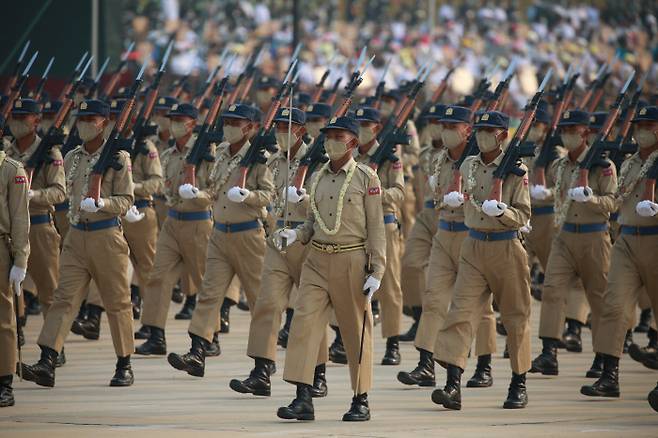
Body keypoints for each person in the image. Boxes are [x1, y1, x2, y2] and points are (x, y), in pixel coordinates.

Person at [275, 115, 386, 422]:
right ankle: (303, 397)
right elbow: (314, 222)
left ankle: (360, 398)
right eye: (327, 136)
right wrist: (296, 234)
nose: (330, 141)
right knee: (303, 325)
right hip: (316, 259)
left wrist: (377, 270)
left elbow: (377, 227)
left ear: (352, 140)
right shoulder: (318, 177)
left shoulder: (367, 178)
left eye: (338, 136)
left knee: (355, 332)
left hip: (351, 260)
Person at [21, 99, 136, 387]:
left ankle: (124, 363)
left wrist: (102, 203)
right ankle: (48, 360)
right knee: (63, 298)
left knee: (117, 302)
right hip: (76, 236)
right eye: (81, 118)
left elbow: (126, 200)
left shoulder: (119, 157)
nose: (84, 124)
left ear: (104, 122)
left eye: (91, 119)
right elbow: (63, 194)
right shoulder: (72, 156)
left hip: (106, 235)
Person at [432, 110, 532, 410]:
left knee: (515, 317)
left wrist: (504, 212)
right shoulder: (469, 164)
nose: (482, 135)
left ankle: (518, 383)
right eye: (479, 130)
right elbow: (464, 192)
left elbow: (524, 216)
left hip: (506, 248)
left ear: (502, 135)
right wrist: (454, 199)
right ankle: (452, 384)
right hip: (473, 244)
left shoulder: (517, 170)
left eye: (489, 131)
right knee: (460, 313)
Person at [167, 103, 274, 377]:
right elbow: (215, 192)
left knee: (258, 302)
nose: (228, 127)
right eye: (226, 121)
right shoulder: (223, 153)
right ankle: (197, 352)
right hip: (219, 235)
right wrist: (195, 194)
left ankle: (263, 365)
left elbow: (268, 195)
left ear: (249, 128)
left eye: (235, 123)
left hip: (249, 235)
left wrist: (248, 196)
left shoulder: (260, 157)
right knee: (209, 294)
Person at [229, 106, 328, 397]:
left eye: (287, 129)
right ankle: (261, 371)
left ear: (300, 130)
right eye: (277, 129)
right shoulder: (273, 160)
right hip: (277, 238)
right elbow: (268, 196)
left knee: (310, 311)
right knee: (268, 303)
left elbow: (327, 205)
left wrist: (305, 198)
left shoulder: (318, 161)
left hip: (307, 239)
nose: (280, 134)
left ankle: (317, 373)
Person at [399, 105, 496, 388]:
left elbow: (484, 196)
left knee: (481, 305)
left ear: (468, 130)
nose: (446, 131)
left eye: (453, 127)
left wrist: (464, 199)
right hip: (444, 233)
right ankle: (425, 364)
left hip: (471, 236)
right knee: (434, 299)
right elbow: (437, 196)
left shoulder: (480, 162)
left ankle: (484, 365)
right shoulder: (440, 160)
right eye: (444, 126)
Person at [531, 109, 617, 379]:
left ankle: (604, 358)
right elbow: (560, 197)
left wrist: (590, 199)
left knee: (599, 298)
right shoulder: (559, 166)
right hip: (564, 235)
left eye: (573, 130)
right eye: (565, 130)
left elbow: (612, 203)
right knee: (553, 289)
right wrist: (540, 195)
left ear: (586, 133)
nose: (568, 135)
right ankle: (549, 351)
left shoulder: (604, 167)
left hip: (594, 236)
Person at [580, 105, 658, 398]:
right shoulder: (629, 163)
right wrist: (592, 197)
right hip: (626, 239)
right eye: (639, 125)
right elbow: (616, 201)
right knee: (613, 305)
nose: (642, 130)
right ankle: (609, 375)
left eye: (648, 124)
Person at [135, 103, 216, 356]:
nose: (174, 124)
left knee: (204, 282)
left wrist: (198, 194)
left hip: (198, 221)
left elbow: (216, 189)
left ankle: (209, 338)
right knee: (158, 276)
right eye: (173, 119)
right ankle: (155, 334)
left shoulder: (207, 153)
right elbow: (163, 186)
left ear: (192, 124)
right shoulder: (168, 154)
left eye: (180, 120)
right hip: (172, 222)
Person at [353, 106, 405, 365]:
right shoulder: (350, 156)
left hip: (384, 225)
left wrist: (374, 193)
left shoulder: (389, 159)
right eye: (358, 124)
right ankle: (351, 340)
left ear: (376, 128)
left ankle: (393, 343)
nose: (361, 129)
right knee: (354, 283)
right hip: (355, 227)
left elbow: (399, 192)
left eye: (366, 124)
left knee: (389, 286)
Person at [0, 143, 30, 407]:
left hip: (0, 244)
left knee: (3, 317)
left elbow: (20, 217)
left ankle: (5, 381)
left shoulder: (11, 169)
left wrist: (20, 259)